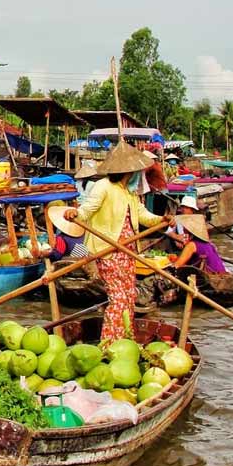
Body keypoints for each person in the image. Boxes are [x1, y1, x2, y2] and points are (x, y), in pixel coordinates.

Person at [64, 141, 169, 342]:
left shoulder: (129, 192)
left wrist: (161, 220)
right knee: (118, 298)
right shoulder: (103, 186)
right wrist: (75, 213)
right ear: (128, 171)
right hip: (109, 251)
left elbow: (143, 215)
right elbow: (87, 209)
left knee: (129, 297)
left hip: (128, 252)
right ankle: (109, 343)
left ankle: (125, 339)